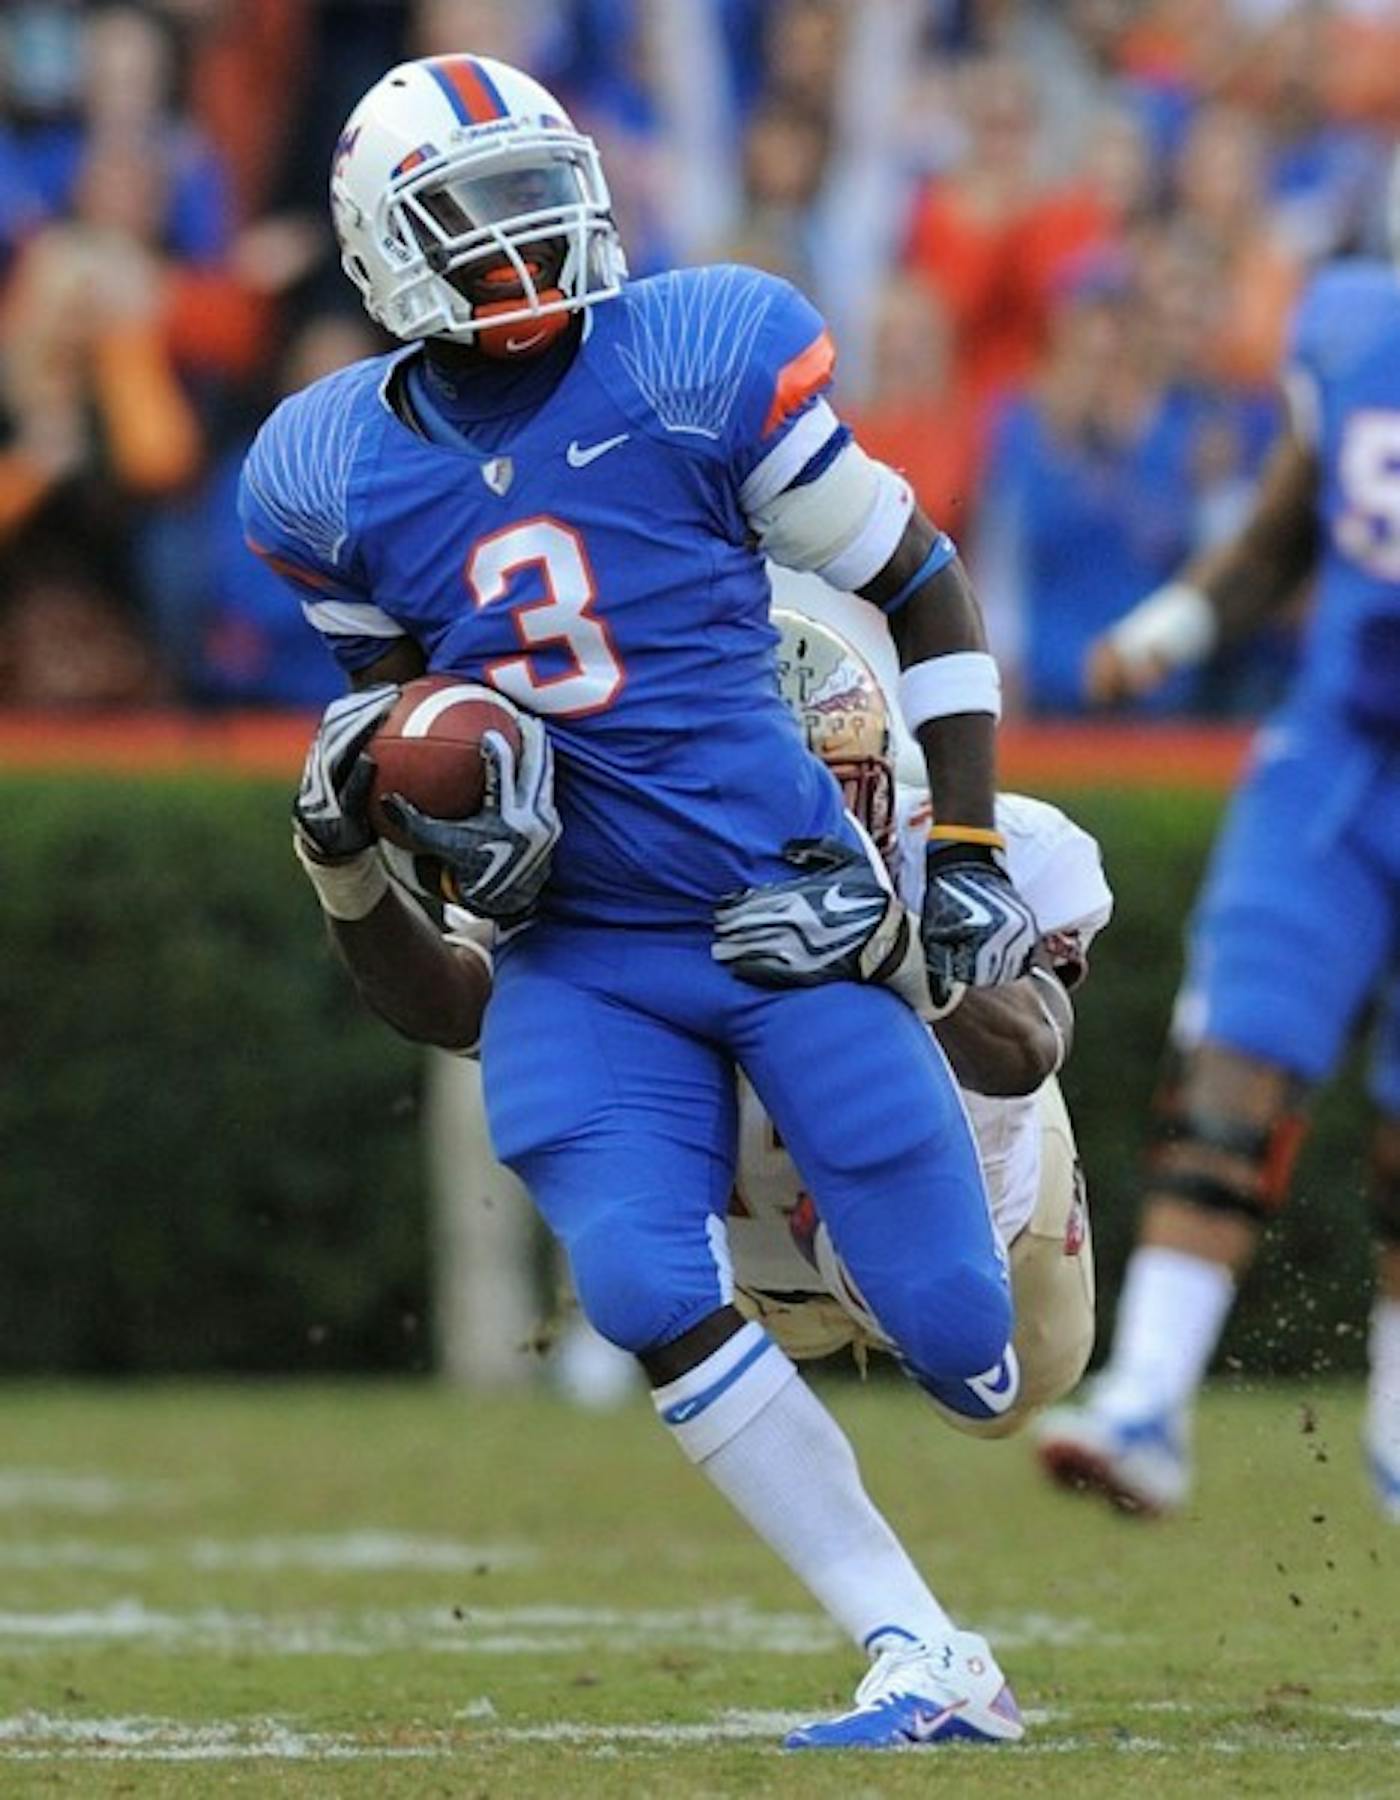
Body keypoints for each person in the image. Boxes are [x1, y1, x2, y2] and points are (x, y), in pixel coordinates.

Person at [240, 54, 1040, 1749]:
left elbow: (919, 579)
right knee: (637, 1286)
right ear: (382, 249)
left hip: (780, 896)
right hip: (584, 951)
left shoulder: (692, 356)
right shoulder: (326, 471)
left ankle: (1010, 1157)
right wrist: (392, 830)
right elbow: (413, 731)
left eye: (538, 195)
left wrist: (960, 858)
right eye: (475, 214)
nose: (522, 240)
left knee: (974, 1356)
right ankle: (921, 1648)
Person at [1033, 203, 1400, 1522]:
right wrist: (1173, 627)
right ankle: (1146, 1400)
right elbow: (1285, 527)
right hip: (1339, 762)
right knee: (1232, 1062)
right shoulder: (1358, 332)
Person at [724, 611, 1111, 1435]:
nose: (799, 830)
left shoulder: (967, 847)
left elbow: (1031, 1044)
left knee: (1016, 1392)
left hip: (977, 1211)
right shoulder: (627, 871)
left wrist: (894, 946)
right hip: (740, 1253)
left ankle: (928, 1267)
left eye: (827, 792)